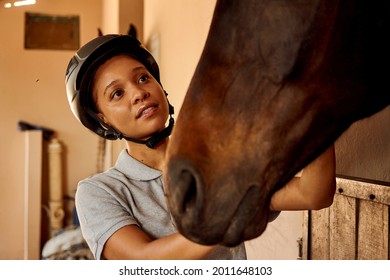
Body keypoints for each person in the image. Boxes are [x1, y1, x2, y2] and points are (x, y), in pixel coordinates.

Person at [65, 34, 336, 260]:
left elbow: (313, 194)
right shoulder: (99, 192)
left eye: (143, 78)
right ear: (103, 119)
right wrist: (233, 214)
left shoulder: (218, 164)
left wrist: (315, 105)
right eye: (117, 93)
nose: (139, 93)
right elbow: (145, 260)